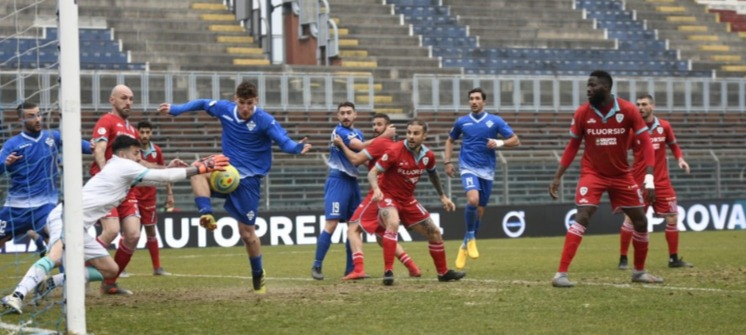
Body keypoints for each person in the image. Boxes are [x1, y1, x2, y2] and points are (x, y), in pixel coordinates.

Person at [1, 135, 227, 314]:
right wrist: (200, 168)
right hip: (66, 216)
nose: (139, 157)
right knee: (56, 255)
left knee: (110, 269)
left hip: (79, 225)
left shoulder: (123, 168)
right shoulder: (122, 166)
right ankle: (17, 295)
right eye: (136, 153)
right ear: (122, 153)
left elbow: (158, 175)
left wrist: (186, 167)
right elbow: (164, 178)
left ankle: (51, 283)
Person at [158, 80, 312, 294]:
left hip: (248, 180)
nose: (246, 108)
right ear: (235, 100)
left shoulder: (265, 121)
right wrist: (176, 109)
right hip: (226, 171)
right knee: (197, 170)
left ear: (256, 101)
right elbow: (203, 103)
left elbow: (283, 142)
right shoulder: (225, 110)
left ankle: (258, 276)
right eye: (242, 103)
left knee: (247, 234)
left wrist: (297, 148)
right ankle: (207, 213)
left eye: (249, 103)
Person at [548, 70, 663, 288]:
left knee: (641, 221)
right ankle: (560, 274)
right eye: (587, 86)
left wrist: (649, 178)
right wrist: (557, 177)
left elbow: (646, 143)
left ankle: (639, 272)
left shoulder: (628, 110)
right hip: (593, 173)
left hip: (621, 174)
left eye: (593, 86)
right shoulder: (583, 113)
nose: (588, 89)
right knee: (583, 214)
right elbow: (572, 146)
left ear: (607, 88)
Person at [369, 119, 465, 285]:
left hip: (407, 199)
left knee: (434, 232)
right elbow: (372, 172)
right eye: (409, 133)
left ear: (424, 136)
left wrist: (443, 196)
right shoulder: (394, 150)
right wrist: (376, 189)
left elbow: (433, 174)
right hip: (388, 196)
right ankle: (388, 272)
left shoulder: (428, 155)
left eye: (416, 133)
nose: (411, 137)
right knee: (393, 222)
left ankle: (443, 273)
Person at [332, 113, 422, 280]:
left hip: (378, 193)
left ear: (388, 127)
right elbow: (372, 161)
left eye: (379, 125)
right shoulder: (395, 146)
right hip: (390, 193)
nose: (375, 128)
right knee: (383, 236)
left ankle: (358, 269)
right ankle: (412, 267)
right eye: (373, 124)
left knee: (353, 228)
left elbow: (356, 160)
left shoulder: (380, 142)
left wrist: (342, 145)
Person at [443, 87, 520, 270]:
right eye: (471, 99)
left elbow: (515, 140)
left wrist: (499, 142)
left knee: (479, 211)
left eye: (477, 98)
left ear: (484, 101)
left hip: (487, 171)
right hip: (467, 167)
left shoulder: (495, 121)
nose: (474, 101)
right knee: (473, 199)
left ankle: (464, 245)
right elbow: (450, 140)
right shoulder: (462, 122)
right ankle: (471, 236)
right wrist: (447, 161)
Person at [0, 102, 91, 251]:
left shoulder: (53, 137)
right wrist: (6, 164)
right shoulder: (12, 144)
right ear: (21, 120)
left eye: (38, 114)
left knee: (59, 240)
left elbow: (81, 145)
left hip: (44, 205)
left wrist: (96, 144)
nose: (37, 119)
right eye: (31, 116)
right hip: (16, 207)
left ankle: (67, 274)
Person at [91, 84, 153, 295]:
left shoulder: (132, 130)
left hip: (126, 190)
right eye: (124, 98)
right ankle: (72, 270)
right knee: (111, 231)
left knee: (134, 235)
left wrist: (170, 168)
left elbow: (140, 164)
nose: (128, 102)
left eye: (131, 98)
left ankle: (109, 283)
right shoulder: (106, 121)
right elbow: (99, 150)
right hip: (107, 188)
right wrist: (106, 175)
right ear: (112, 100)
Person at [618, 94, 692, 270]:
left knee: (673, 217)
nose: (640, 107)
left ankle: (673, 259)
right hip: (639, 182)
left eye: (644, 104)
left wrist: (680, 159)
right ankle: (623, 259)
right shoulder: (631, 130)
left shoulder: (664, 126)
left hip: (661, 181)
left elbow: (673, 145)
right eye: (638, 105)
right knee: (630, 218)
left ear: (653, 106)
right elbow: (620, 149)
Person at [311, 102, 363, 280]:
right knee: (331, 224)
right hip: (338, 180)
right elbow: (360, 148)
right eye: (343, 113)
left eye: (349, 112)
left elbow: (361, 157)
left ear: (355, 115)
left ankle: (351, 269)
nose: (346, 116)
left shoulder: (359, 133)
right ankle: (316, 265)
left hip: (353, 182)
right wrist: (384, 139)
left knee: (354, 226)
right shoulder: (339, 132)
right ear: (338, 116)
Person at [134, 120, 174, 276]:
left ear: (151, 133)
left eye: (147, 132)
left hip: (149, 196)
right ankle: (121, 268)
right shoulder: (133, 150)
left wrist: (170, 193)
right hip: (134, 194)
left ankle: (157, 267)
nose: (144, 135)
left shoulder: (157, 151)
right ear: (137, 132)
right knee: (131, 232)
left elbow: (165, 173)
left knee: (151, 230)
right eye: (142, 132)